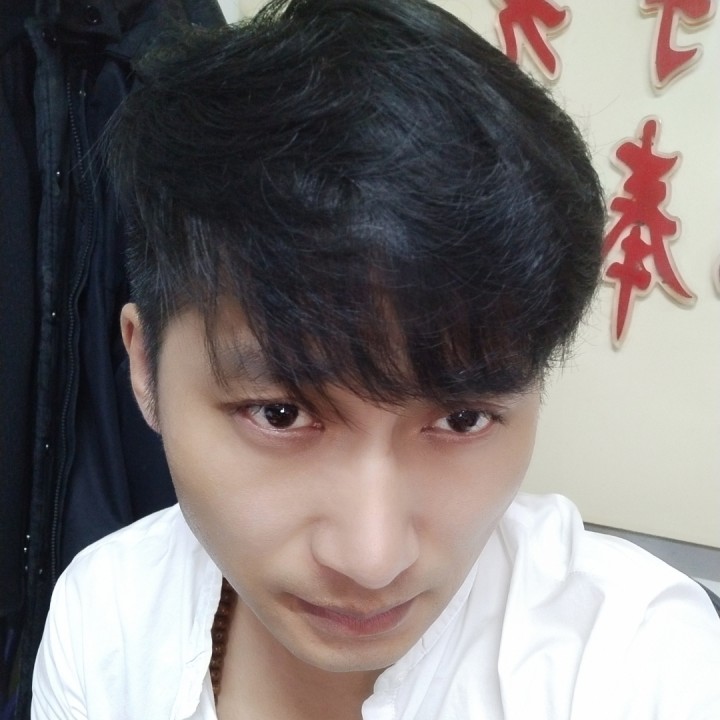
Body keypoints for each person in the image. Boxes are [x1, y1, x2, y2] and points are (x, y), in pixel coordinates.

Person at [31, 0, 720, 718]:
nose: (372, 558)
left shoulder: (640, 661)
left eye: (462, 419)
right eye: (280, 413)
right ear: (146, 368)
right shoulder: (105, 618)